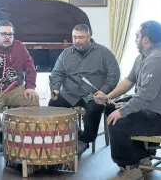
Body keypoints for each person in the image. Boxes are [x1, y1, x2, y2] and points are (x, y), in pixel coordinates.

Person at [94, 21, 161, 180]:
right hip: (157, 108)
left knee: (117, 121)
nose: (135, 39)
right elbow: (129, 81)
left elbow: (145, 96)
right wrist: (108, 97)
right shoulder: (144, 57)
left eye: (137, 36)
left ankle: (130, 168)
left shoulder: (157, 59)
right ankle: (142, 157)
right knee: (111, 108)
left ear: (146, 39)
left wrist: (123, 111)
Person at [48, 24, 120, 157]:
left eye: (81, 37)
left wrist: (104, 91)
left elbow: (114, 74)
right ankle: (73, 134)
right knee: (53, 105)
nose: (77, 41)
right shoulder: (66, 53)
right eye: (74, 37)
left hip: (93, 95)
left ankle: (85, 140)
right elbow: (57, 72)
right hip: (70, 94)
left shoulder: (103, 52)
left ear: (89, 37)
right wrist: (56, 89)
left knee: (93, 109)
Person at [0, 20, 39, 152]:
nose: (7, 37)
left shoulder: (19, 46)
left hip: (15, 88)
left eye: (10, 34)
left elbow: (30, 66)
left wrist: (30, 86)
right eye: (3, 34)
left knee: (33, 99)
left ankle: (24, 134)